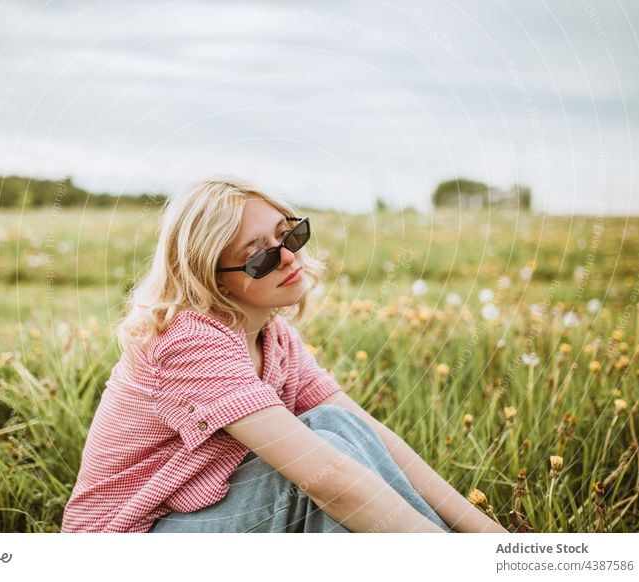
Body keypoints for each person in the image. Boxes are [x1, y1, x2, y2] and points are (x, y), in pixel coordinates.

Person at [60, 176, 508, 533]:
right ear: (214, 280)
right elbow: (329, 482)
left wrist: (491, 540)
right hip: (128, 540)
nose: (289, 259)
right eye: (259, 258)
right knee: (312, 473)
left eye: (288, 236)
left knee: (336, 427)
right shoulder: (188, 343)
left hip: (198, 518)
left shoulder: (273, 338)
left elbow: (372, 434)